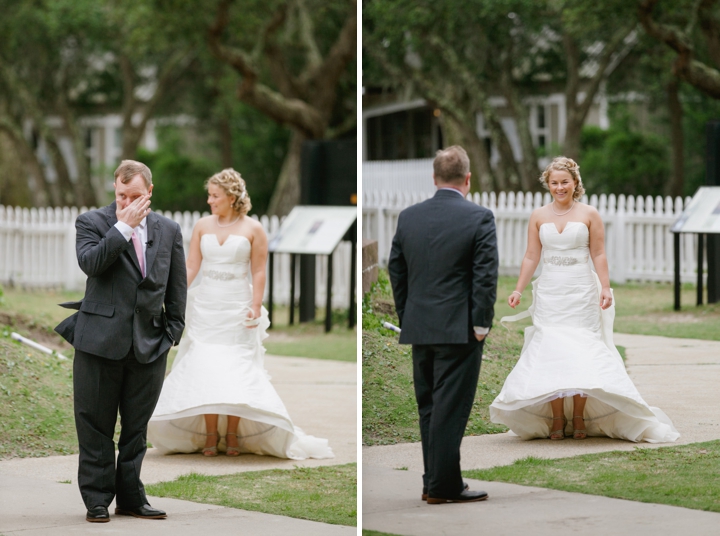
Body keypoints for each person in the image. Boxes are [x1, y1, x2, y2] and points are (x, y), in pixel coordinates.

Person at [489, 156, 679, 443]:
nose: (559, 187)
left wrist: (605, 287)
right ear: (547, 184)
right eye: (554, 183)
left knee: (580, 349)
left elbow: (598, 253)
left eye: (565, 182)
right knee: (551, 350)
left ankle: (578, 416)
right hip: (551, 291)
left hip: (581, 290)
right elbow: (531, 255)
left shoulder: (589, 214)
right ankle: (556, 418)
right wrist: (517, 289)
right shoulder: (538, 215)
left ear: (575, 182)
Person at [147, 168, 333, 460]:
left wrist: (256, 305)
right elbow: (191, 265)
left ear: (231, 197)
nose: (209, 200)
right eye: (209, 195)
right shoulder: (202, 225)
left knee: (236, 368)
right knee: (204, 367)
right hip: (206, 306)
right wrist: (175, 296)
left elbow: (258, 270)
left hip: (237, 306)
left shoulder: (254, 229)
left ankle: (232, 432)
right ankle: (210, 434)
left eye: (214, 195)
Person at [55, 160, 187, 523]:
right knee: (95, 424)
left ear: (150, 192)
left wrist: (173, 331)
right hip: (98, 341)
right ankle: (96, 499)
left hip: (149, 344)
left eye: (136, 196)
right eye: (121, 195)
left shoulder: (170, 229)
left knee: (136, 428)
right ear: (114, 190)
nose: (128, 202)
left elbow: (176, 284)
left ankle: (131, 497)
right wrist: (122, 227)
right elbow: (90, 264)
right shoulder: (92, 222)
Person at [388, 146, 499, 504]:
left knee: (430, 408)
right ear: (468, 179)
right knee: (450, 410)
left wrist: (409, 316)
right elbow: (485, 276)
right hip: (460, 329)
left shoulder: (409, 217)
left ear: (434, 179)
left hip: (420, 326)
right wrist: (481, 323)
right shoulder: (480, 217)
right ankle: (442, 487)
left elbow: (397, 270)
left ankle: (433, 482)